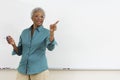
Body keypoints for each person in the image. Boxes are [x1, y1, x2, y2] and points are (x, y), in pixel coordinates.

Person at [6, 7, 59, 80]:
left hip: (39, 70)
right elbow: (19, 52)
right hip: (23, 69)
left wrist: (52, 33)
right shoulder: (24, 32)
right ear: (32, 18)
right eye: (36, 16)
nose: (39, 18)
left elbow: (51, 48)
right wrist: (13, 44)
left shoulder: (46, 32)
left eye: (42, 16)